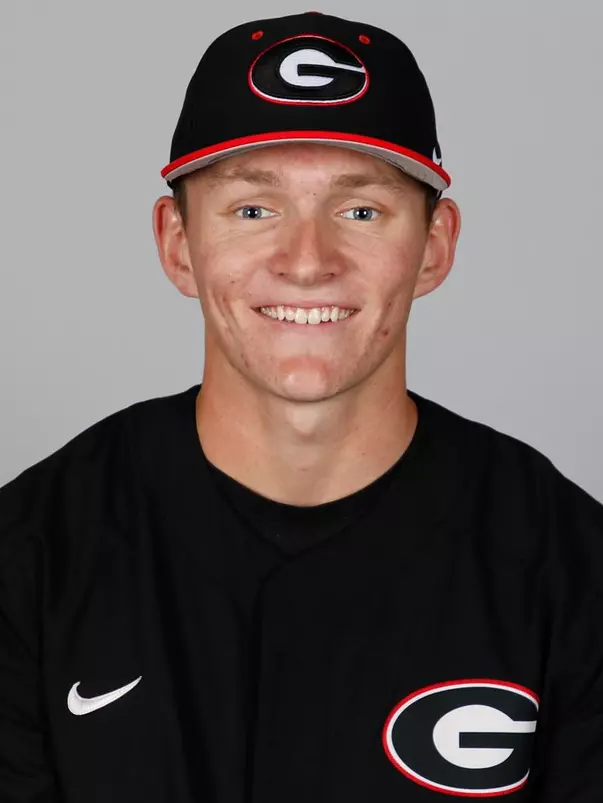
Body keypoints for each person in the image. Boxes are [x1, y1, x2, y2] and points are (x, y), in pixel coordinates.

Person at [1, 10, 602, 802]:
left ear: (434, 245)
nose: (307, 261)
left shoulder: (568, 566)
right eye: (253, 210)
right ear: (177, 244)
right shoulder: (34, 554)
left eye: (361, 211)